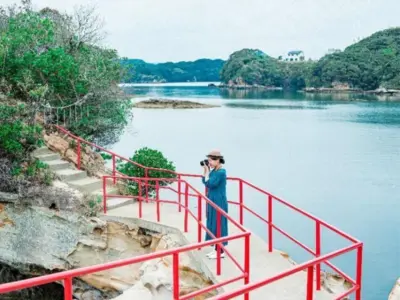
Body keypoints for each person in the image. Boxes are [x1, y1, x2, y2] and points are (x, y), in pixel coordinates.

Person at [201, 150, 228, 259]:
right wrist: (206, 171)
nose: (210, 163)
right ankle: (216, 249)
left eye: (211, 160)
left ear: (218, 160)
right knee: (213, 223)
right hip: (212, 199)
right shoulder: (214, 171)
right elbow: (205, 181)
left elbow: (211, 183)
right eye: (209, 160)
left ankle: (221, 251)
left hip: (219, 201)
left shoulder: (221, 172)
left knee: (219, 224)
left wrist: (207, 171)